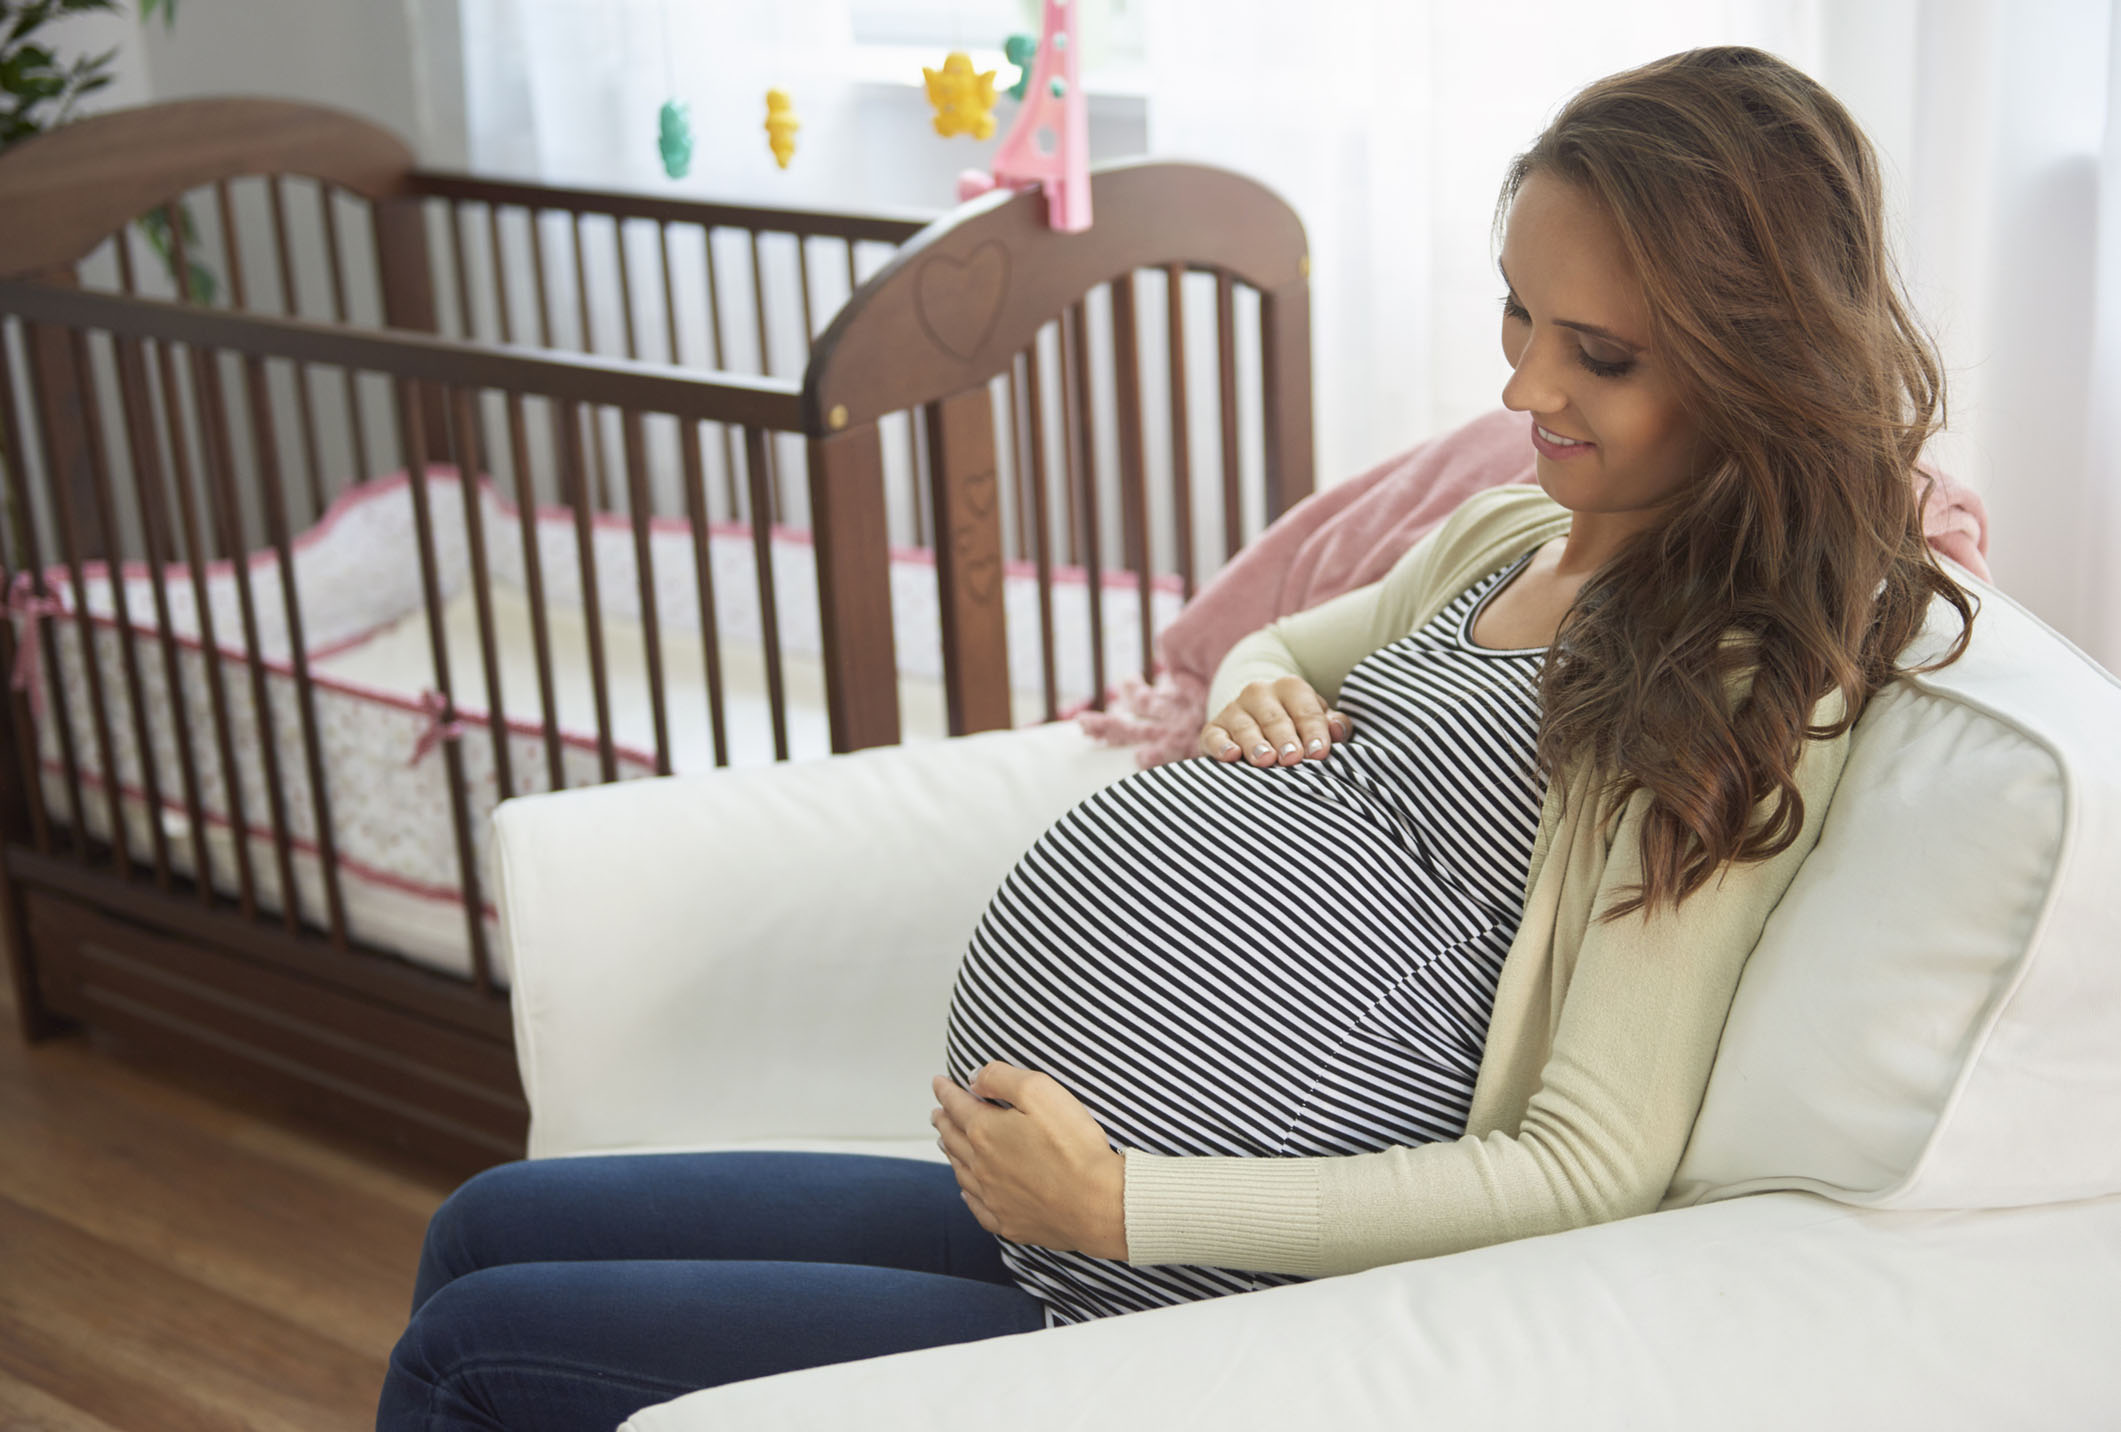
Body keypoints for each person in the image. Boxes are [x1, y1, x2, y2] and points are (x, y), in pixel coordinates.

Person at [376, 43, 1975, 1429]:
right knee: (484, 1224)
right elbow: (1281, 643)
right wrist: (1246, 691)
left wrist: (1123, 1202)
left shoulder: (1729, 685)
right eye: (1517, 315)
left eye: (1598, 356)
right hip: (1050, 1213)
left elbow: (1586, 1164)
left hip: (1177, 1285)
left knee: (471, 1354)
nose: (1523, 386)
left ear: (1756, 365)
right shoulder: (1505, 534)